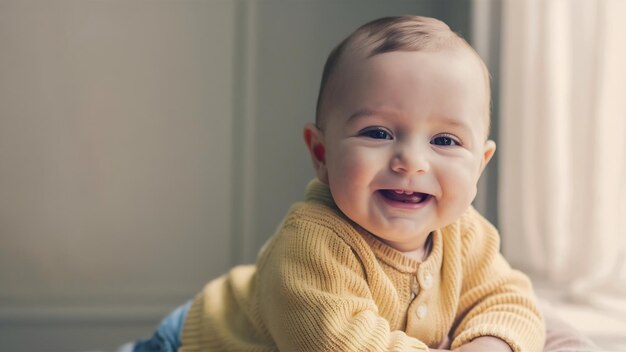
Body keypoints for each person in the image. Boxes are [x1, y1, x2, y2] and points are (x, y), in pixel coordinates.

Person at [134, 15, 545, 351]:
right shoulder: (312, 245)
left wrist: (489, 344)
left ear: (479, 164)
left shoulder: (464, 233)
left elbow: (510, 301)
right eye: (378, 133)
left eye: (444, 140)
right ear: (322, 154)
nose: (411, 162)